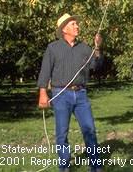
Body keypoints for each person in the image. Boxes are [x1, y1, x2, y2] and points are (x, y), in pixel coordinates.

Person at [37, 13, 103, 172]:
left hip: (81, 95)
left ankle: (95, 167)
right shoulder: (53, 48)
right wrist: (43, 93)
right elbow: (45, 71)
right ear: (64, 29)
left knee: (90, 130)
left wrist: (98, 47)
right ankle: (64, 167)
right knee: (61, 133)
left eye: (76, 24)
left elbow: (96, 66)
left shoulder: (85, 48)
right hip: (61, 94)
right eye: (73, 24)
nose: (77, 26)